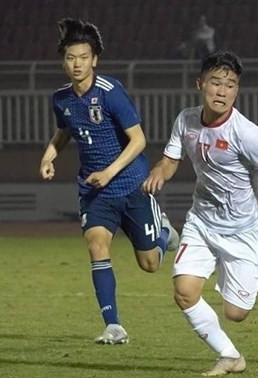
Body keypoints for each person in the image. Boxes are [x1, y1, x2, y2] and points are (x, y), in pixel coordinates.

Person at [142, 50, 258, 376]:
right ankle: (230, 356)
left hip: (243, 229)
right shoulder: (186, 120)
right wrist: (159, 170)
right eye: (216, 83)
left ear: (237, 90)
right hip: (201, 222)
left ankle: (229, 300)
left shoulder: (246, 132)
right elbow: (171, 160)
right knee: (184, 292)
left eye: (230, 85)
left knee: (235, 313)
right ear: (200, 84)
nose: (223, 91)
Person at [39, 18, 179, 346]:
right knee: (96, 245)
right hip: (94, 191)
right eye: (71, 57)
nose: (77, 64)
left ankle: (163, 231)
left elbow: (139, 141)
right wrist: (49, 155)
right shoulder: (61, 98)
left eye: (83, 57)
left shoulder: (111, 92)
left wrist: (110, 171)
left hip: (131, 185)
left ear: (95, 60)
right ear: (64, 60)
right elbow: (63, 132)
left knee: (150, 265)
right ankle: (113, 325)